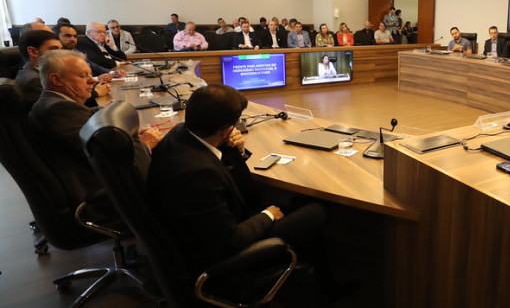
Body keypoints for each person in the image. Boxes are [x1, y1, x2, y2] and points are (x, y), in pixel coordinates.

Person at [147, 84, 326, 271]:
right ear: (225, 129)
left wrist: (235, 149)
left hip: (209, 226)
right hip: (218, 256)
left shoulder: (179, 135)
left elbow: (244, 189)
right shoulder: (198, 175)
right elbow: (229, 241)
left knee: (297, 201)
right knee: (316, 210)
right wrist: (268, 215)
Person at [29, 50, 161, 202]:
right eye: (83, 76)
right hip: (104, 195)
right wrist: (145, 145)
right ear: (56, 80)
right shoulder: (57, 111)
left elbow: (84, 123)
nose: (92, 80)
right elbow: (106, 158)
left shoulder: (53, 104)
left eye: (90, 75)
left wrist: (100, 111)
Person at [15, 30, 63, 104]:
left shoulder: (32, 72)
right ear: (33, 52)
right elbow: (57, 108)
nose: (62, 55)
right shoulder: (34, 81)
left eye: (61, 50)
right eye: (54, 49)